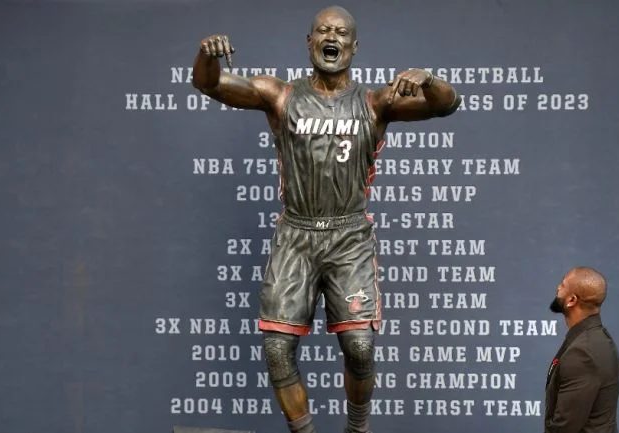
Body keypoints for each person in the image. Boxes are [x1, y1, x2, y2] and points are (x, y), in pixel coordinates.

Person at [191, 6, 461, 433]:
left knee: (359, 347)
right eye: (323, 30)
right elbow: (208, 84)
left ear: (354, 47)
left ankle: (357, 428)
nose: (331, 37)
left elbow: (446, 105)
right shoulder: (280, 95)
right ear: (310, 42)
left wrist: (427, 78)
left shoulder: (374, 103)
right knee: (277, 349)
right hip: (296, 234)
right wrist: (206, 55)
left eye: (340, 32)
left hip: (348, 236)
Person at [545, 267, 619, 433]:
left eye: (562, 285)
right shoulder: (597, 339)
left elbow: (564, 428)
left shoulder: (582, 353)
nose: (558, 288)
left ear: (571, 300)